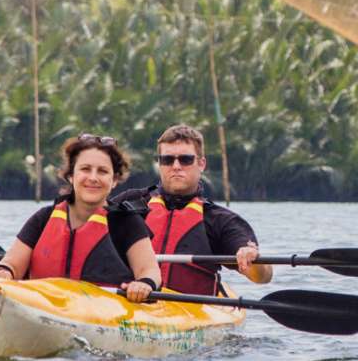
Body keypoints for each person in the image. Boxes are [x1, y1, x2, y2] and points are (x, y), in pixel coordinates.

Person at [0, 133, 161, 304]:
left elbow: (150, 270)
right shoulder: (44, 218)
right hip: (44, 307)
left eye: (102, 171)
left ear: (114, 180)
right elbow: (12, 263)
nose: (93, 178)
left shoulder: (126, 222)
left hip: (105, 314)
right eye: (85, 169)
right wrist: (4, 271)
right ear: (71, 176)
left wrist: (144, 284)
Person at [110, 124, 269, 295]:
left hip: (189, 310)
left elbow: (263, 277)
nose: (176, 166)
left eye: (185, 159)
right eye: (167, 160)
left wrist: (251, 257)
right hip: (129, 300)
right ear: (159, 164)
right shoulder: (130, 203)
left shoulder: (220, 220)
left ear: (201, 164)